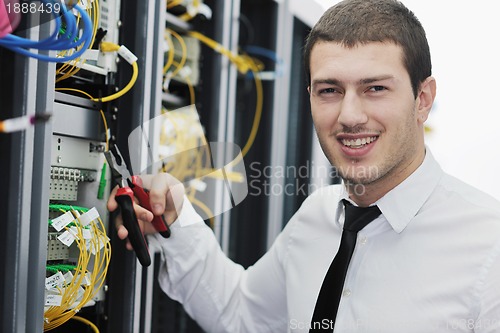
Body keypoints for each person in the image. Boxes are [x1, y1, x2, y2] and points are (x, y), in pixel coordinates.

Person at [108, 0, 500, 332]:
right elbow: (241, 315)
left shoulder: (489, 251)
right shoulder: (318, 216)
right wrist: (177, 218)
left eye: (375, 88)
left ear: (423, 98)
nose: (349, 116)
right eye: (330, 90)